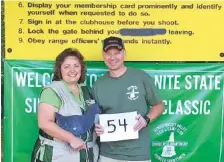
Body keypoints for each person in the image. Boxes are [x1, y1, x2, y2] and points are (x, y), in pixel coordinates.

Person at [91, 36, 164, 162]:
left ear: (124, 53)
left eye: (117, 53)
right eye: (108, 53)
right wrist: (97, 127)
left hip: (138, 155)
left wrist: (146, 119)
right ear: (103, 55)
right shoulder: (98, 85)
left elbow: (159, 106)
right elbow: (96, 117)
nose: (112, 58)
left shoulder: (141, 77)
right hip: (108, 155)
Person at [31, 48, 99, 162]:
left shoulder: (86, 91)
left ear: (81, 69)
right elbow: (44, 123)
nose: (72, 70)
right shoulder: (52, 90)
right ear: (59, 70)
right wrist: (71, 139)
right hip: (58, 156)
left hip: (87, 156)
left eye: (76, 66)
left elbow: (91, 121)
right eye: (67, 66)